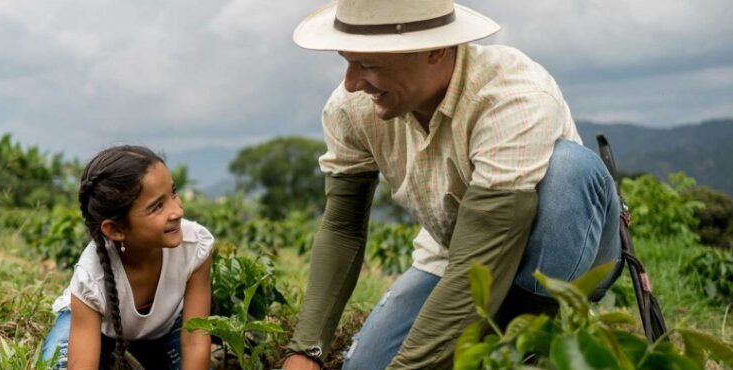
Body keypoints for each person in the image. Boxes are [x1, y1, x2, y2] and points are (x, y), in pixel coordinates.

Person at [281, 0, 622, 369]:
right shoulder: (352, 109)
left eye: (368, 65)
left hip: (559, 255)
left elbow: (484, 258)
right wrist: (305, 350)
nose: (351, 82)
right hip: (452, 254)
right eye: (347, 61)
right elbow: (342, 227)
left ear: (435, 51)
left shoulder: (512, 95)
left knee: (571, 169)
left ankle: (532, 340)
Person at [41, 145, 214, 370]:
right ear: (115, 230)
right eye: (157, 206)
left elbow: (195, 341)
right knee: (58, 365)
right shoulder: (91, 276)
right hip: (99, 331)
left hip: (160, 333)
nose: (177, 211)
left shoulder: (194, 247)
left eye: (173, 193)